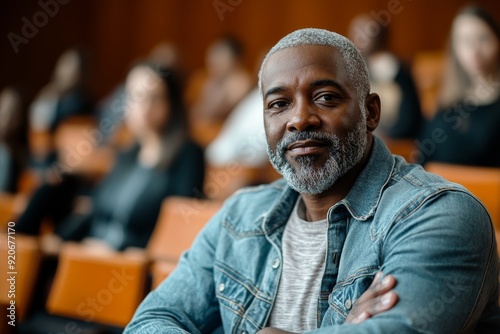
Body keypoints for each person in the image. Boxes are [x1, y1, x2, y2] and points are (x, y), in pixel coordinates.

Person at [125, 28, 500, 333]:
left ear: (370, 112)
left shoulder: (441, 215)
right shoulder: (239, 216)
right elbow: (150, 322)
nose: (299, 119)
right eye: (278, 104)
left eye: (324, 98)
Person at [17, 62, 205, 251]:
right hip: (91, 249)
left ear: (171, 103)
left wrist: (114, 249)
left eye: (155, 98)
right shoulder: (127, 153)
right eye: (136, 97)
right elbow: (95, 211)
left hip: (129, 263)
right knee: (52, 187)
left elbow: (176, 228)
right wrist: (60, 240)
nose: (145, 107)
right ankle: (10, 247)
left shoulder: (189, 156)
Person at [418, 5, 500, 166]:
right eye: (464, 40)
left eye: (483, 38)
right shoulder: (445, 100)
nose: (474, 50)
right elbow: (423, 158)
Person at [348, 14, 423, 140]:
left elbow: (410, 118)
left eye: (365, 31)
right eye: (355, 31)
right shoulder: (348, 71)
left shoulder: (400, 71)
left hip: (398, 139)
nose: (359, 37)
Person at [0, 87, 29, 193]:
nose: (7, 118)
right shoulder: (5, 154)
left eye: (14, 114)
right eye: (3, 110)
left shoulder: (23, 151)